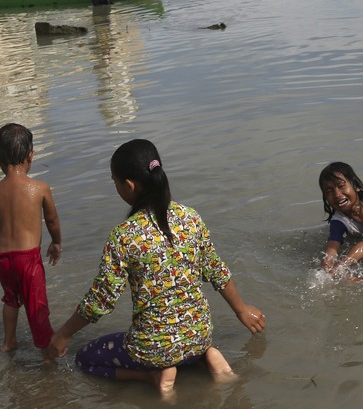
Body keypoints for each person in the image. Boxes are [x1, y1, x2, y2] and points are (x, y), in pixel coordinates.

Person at [47, 139, 266, 394]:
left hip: (154, 349)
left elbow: (101, 300)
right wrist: (241, 309)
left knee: (85, 358)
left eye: (115, 182)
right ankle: (207, 356)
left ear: (129, 185)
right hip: (199, 335)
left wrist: (64, 333)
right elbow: (215, 269)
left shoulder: (124, 235)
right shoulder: (190, 217)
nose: (116, 187)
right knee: (185, 341)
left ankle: (152, 376)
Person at [0, 123, 62, 354]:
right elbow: (52, 220)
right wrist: (56, 242)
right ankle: (46, 350)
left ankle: (9, 342)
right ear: (31, 156)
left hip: (3, 258)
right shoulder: (40, 188)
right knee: (36, 303)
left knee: (10, 300)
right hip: (27, 259)